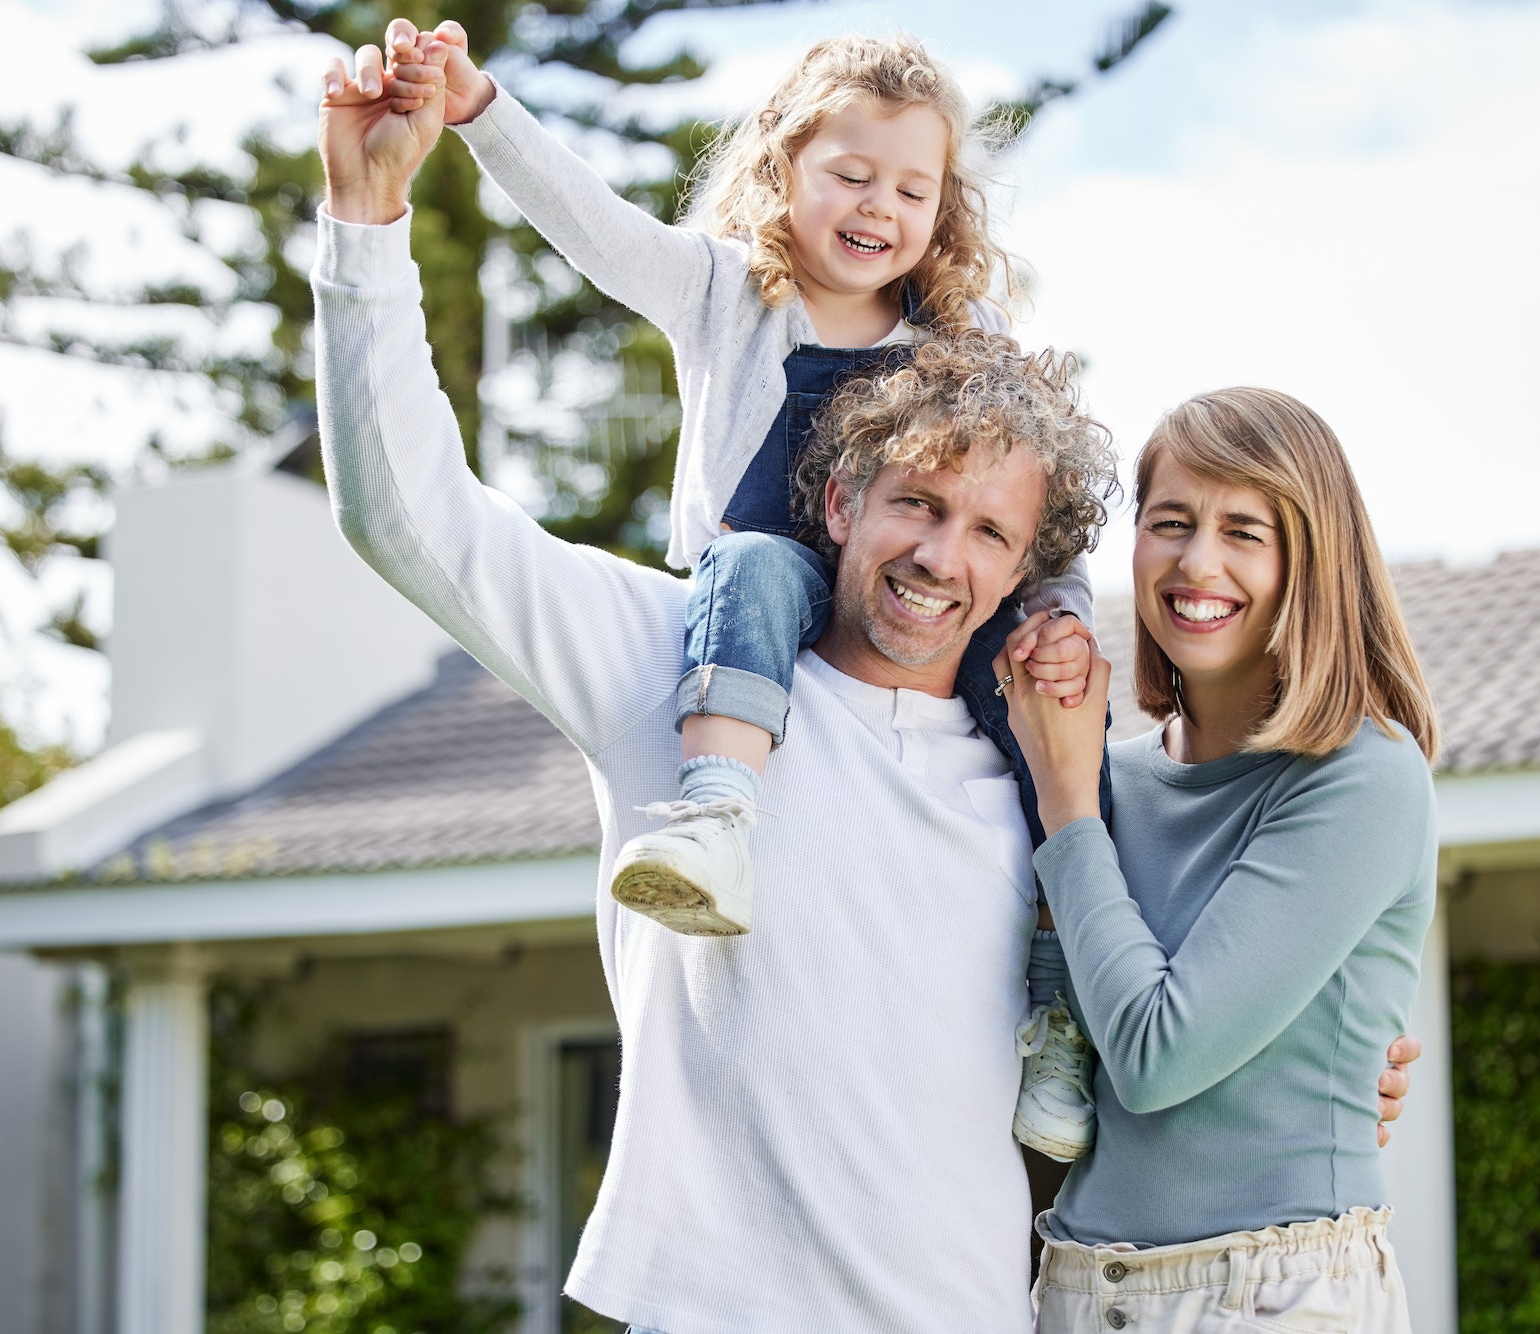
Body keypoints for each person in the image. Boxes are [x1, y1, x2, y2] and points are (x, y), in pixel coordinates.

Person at [313, 44, 1420, 1333]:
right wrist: (364, 222)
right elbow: (406, 515)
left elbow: (1163, 1028)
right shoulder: (667, 667)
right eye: (914, 503)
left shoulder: (1049, 783)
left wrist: (1340, 1076)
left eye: (988, 533)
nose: (940, 557)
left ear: (1026, 566)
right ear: (840, 498)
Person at [344, 18, 1110, 1163]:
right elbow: (591, 227)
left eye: (911, 188)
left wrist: (1063, 614)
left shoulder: (960, 338)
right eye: (849, 174)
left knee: (1050, 742)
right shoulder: (723, 290)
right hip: (765, 592)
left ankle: (1058, 1014)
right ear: (782, 167)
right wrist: (478, 109)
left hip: (916, 614)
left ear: (942, 207)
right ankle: (713, 819)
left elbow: (1032, 493)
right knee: (752, 563)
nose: (877, 208)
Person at [1000, 388, 1440, 1332]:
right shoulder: (1097, 778)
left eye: (1246, 530)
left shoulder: (1364, 777)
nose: (1198, 561)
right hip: (1076, 1289)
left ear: (1309, 562)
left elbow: (1159, 1057)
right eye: (1170, 522)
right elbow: (1045, 1076)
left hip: (1269, 1296)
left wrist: (1067, 810)